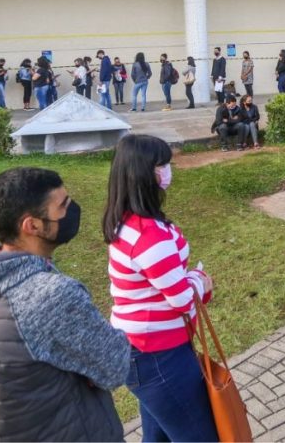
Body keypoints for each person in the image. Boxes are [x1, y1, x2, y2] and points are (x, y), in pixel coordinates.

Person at [0, 167, 130, 441]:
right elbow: (115, 365)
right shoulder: (50, 296)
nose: (72, 209)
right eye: (63, 205)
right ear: (32, 226)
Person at [102, 135, 218, 442]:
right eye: (163, 164)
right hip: (159, 354)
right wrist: (199, 280)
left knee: (158, 436)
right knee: (200, 436)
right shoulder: (149, 236)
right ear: (144, 173)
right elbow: (183, 300)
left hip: (141, 349)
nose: (168, 170)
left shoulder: (127, 222)